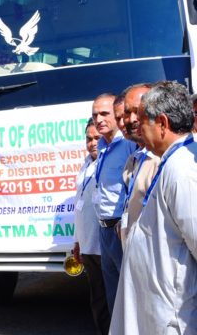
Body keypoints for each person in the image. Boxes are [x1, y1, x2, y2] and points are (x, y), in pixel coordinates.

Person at [111, 81, 197, 334]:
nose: (136, 126)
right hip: (156, 309)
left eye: (142, 120)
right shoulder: (170, 162)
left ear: (162, 123)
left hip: (172, 313)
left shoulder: (183, 170)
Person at [90, 93, 135, 315]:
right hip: (104, 229)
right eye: (95, 115)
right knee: (113, 297)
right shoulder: (101, 145)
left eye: (104, 113)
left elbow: (134, 184)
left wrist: (125, 222)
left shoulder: (128, 143)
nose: (99, 119)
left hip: (120, 228)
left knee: (130, 296)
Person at [71, 120, 110, 335]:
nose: (92, 143)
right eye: (89, 138)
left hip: (104, 245)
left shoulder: (109, 162)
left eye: (97, 138)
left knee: (110, 298)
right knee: (97, 298)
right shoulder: (86, 164)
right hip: (88, 245)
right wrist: (77, 241)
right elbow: (81, 205)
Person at [118, 84, 159, 248]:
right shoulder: (134, 159)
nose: (132, 119)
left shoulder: (163, 159)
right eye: (127, 112)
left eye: (138, 111)